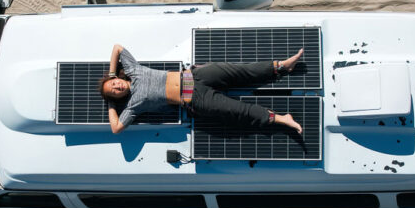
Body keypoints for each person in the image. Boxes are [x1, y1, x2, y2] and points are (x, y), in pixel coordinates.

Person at [98, 44, 304, 134]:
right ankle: (281, 118)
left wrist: (111, 74)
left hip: (194, 75)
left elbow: (117, 47)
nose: (116, 87)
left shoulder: (133, 70)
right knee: (238, 110)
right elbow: (116, 128)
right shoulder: (133, 106)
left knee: (241, 71)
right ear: (117, 97)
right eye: (114, 91)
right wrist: (111, 104)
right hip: (194, 98)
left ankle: (282, 66)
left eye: (114, 83)